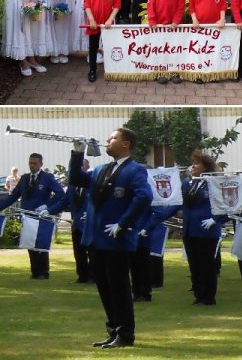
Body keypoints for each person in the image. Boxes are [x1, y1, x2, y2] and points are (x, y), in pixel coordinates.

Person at [67, 128, 152, 349]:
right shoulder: (100, 169)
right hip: (95, 238)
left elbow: (144, 197)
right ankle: (113, 331)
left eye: (113, 138)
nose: (108, 140)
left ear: (126, 144)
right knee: (104, 288)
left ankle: (125, 335)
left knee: (119, 288)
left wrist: (123, 223)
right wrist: (77, 154)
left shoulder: (136, 170)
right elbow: (75, 178)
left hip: (115, 238)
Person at [0, 152, 67, 278]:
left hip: (41, 216)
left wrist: (47, 206)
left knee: (40, 244)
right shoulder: (25, 178)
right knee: (30, 243)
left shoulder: (47, 177)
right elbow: (13, 196)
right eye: (30, 163)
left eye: (35, 163)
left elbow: (60, 194)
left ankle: (43, 272)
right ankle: (35, 271)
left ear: (41, 164)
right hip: (27, 216)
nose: (32, 166)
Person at [180, 152, 225, 306]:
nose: (193, 166)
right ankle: (199, 295)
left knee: (207, 265)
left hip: (206, 231)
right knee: (194, 264)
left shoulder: (213, 183)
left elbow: (228, 205)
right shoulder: (188, 183)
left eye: (196, 163)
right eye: (192, 163)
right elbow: (177, 203)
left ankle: (208, 297)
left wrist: (216, 220)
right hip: (189, 229)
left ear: (205, 167)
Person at [84, 0, 120, 82]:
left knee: (109, 47)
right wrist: (91, 19)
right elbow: (87, 4)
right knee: (93, 48)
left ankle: (111, 69)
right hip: (94, 22)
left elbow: (117, 5)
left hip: (107, 23)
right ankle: (92, 70)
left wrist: (110, 19)